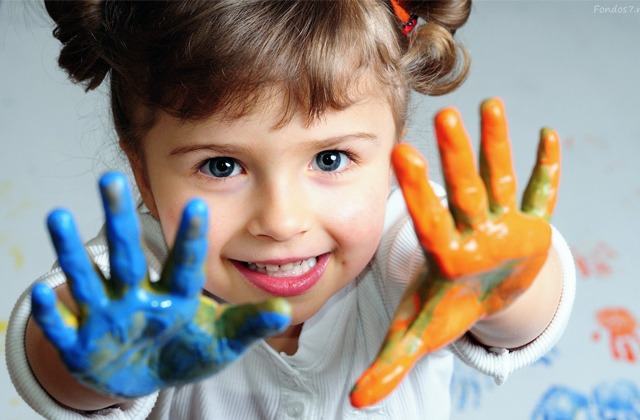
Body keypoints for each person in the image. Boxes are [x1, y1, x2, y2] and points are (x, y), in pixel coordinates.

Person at [5, 0, 575, 418]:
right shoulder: (146, 286)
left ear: (394, 153)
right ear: (143, 175)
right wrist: (92, 365)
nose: (281, 221)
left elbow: (517, 319)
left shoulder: (416, 247)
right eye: (222, 166)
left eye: (330, 159)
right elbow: (52, 343)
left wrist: (511, 287)